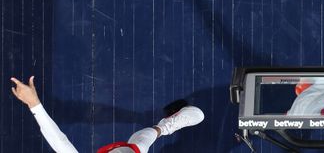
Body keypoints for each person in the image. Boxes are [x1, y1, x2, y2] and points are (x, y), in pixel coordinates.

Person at [10, 75, 204, 153]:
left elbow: (60, 142)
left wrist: (34, 104)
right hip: (134, 150)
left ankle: (163, 127)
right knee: (142, 143)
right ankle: (165, 126)